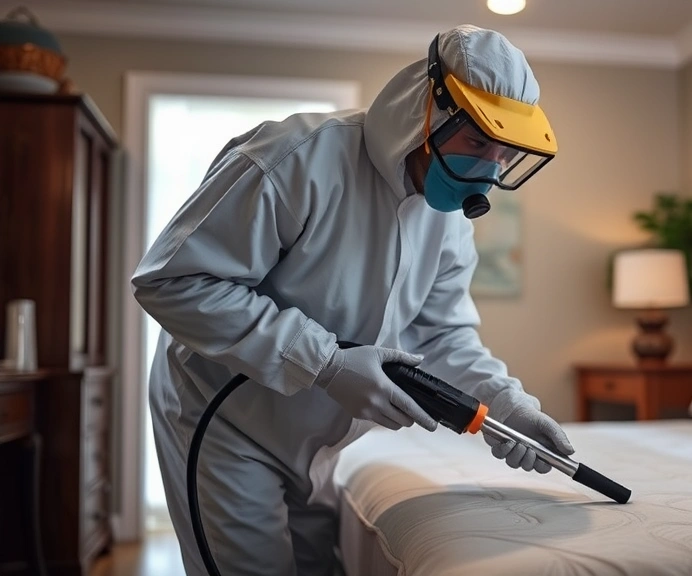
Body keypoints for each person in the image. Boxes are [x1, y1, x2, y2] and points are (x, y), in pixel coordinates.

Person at [132, 24, 572, 576]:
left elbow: (442, 336)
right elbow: (173, 281)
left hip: (320, 437)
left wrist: (508, 407)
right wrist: (327, 363)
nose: (489, 167)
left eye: (504, 151)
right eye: (477, 142)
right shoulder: (294, 159)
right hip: (223, 418)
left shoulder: (451, 223)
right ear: (427, 111)